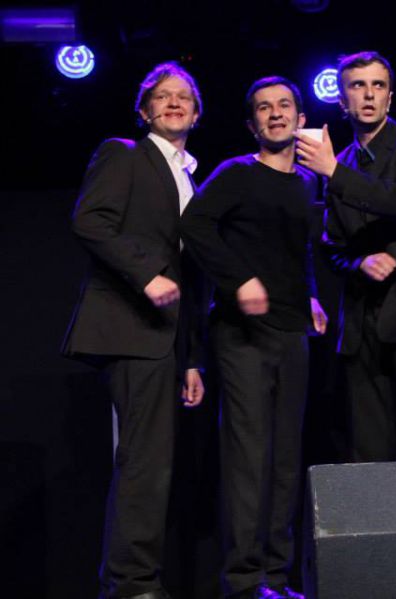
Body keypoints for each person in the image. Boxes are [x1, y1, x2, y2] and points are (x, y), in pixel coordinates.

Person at [61, 62, 206, 599]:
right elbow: (89, 220)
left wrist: (192, 359)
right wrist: (146, 275)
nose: (174, 103)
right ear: (145, 110)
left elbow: (190, 274)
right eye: (162, 96)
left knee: (154, 460)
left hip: (166, 338)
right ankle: (131, 584)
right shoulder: (124, 153)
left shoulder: (190, 176)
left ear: (197, 113)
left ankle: (133, 578)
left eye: (184, 96)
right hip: (128, 327)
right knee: (144, 460)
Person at [180, 76, 327, 599]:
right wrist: (238, 279)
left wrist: (311, 296)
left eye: (284, 105)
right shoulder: (236, 173)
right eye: (264, 108)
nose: (275, 113)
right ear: (252, 123)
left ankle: (277, 576)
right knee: (248, 455)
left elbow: (301, 251)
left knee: (286, 457)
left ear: (301, 119)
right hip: (242, 336)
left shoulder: (307, 182)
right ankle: (244, 581)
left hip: (292, 333)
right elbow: (194, 227)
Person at [296, 50, 396, 462]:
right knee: (369, 449)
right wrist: (358, 263)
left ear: (390, 97)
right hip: (361, 324)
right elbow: (333, 246)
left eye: (378, 85)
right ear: (342, 99)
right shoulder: (341, 162)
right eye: (358, 85)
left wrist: (334, 173)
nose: (368, 95)